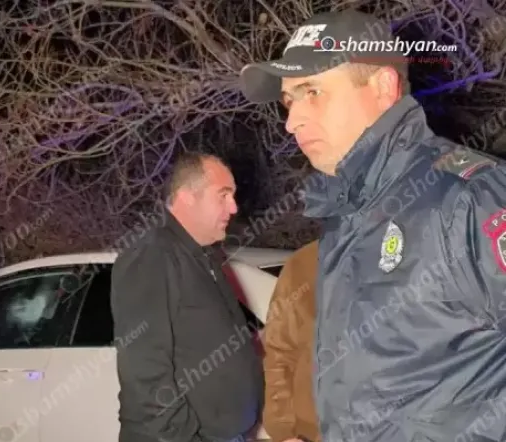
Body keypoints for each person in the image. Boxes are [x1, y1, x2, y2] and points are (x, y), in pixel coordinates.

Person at [239, 8, 506, 442]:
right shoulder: (347, 219)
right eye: (289, 100)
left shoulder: (468, 199)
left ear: (383, 86)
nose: (291, 121)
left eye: (312, 92)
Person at [111, 152, 264, 442]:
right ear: (187, 197)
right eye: (223, 195)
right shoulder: (153, 256)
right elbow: (145, 373)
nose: (234, 207)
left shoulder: (203, 257)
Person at [262, 240, 320, 442]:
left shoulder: (403, 260)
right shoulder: (304, 263)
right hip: (311, 433)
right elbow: (279, 352)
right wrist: (283, 430)